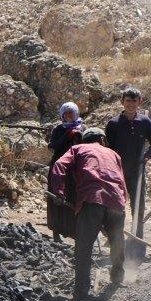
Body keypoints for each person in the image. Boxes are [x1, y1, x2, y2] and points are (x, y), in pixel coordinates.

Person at [48, 128, 129, 301]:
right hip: (116, 201)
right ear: (102, 140)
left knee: (83, 248)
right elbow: (122, 180)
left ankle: (81, 293)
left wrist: (60, 191)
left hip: (92, 200)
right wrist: (122, 204)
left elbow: (59, 165)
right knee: (117, 242)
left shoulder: (78, 149)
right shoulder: (114, 154)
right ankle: (117, 278)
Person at [104, 88, 151, 235]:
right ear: (122, 102)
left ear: (139, 102)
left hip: (137, 172)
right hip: (117, 173)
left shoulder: (144, 121)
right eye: (128, 101)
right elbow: (107, 148)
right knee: (115, 206)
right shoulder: (113, 124)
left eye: (134, 101)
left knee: (138, 206)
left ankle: (137, 236)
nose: (131, 104)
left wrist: (146, 156)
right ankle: (115, 237)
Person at [45, 102, 85, 243]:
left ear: (76, 114)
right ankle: (56, 232)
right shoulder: (58, 129)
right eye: (66, 113)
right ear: (61, 115)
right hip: (59, 170)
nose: (68, 116)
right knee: (57, 199)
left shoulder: (83, 128)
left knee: (75, 198)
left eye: (71, 113)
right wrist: (67, 135)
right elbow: (52, 146)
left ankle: (74, 232)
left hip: (76, 170)